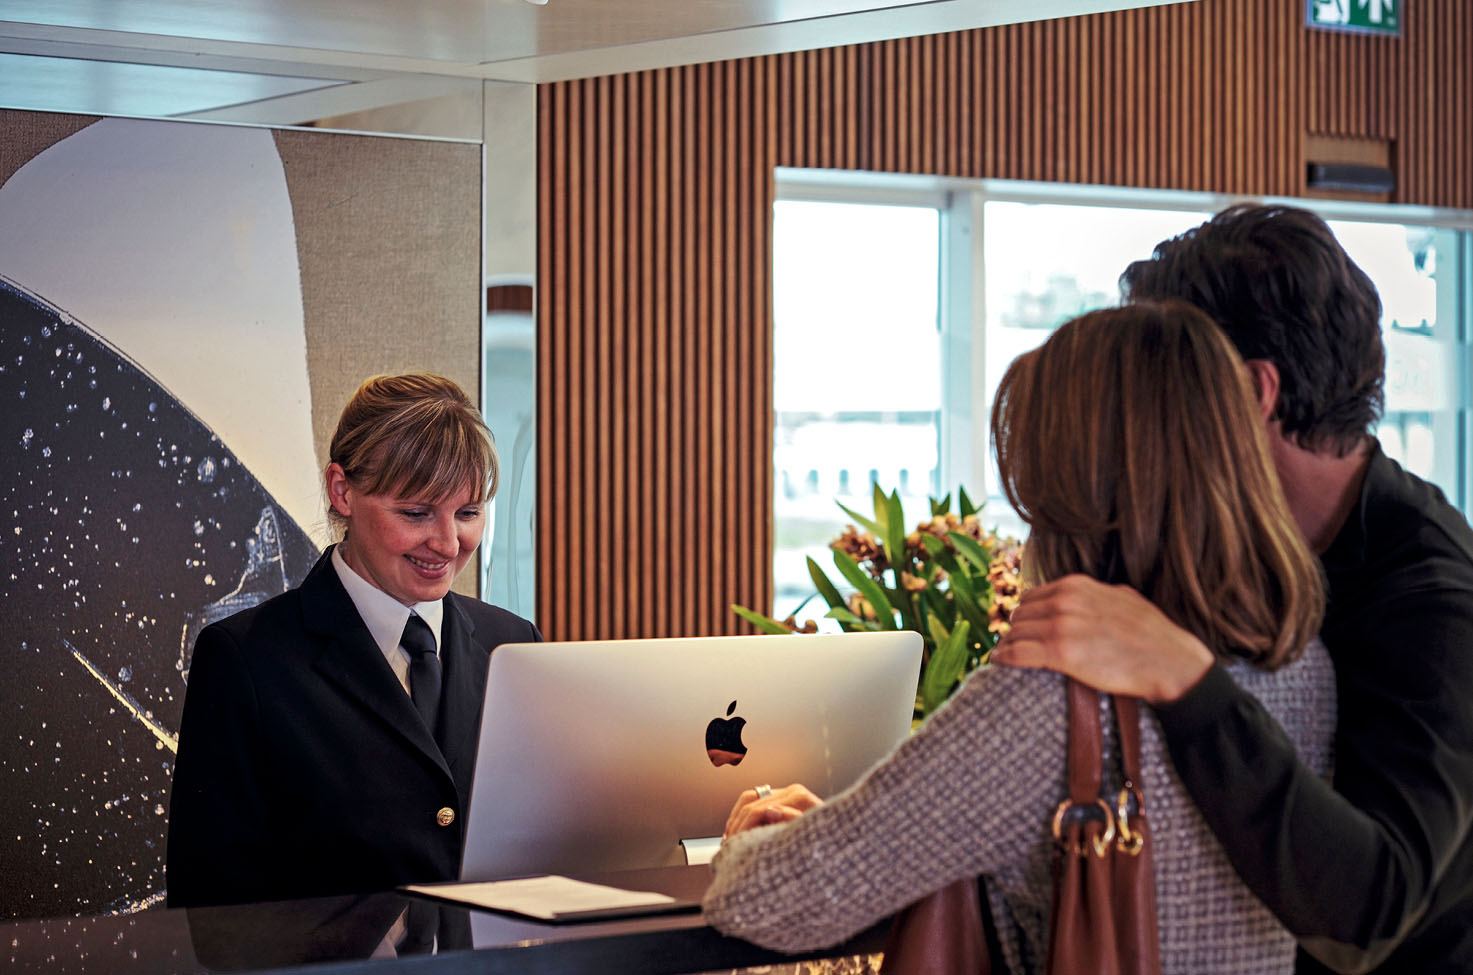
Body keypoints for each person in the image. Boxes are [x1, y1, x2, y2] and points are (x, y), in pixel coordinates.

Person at [704, 302, 1336, 973]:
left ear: (1071, 482)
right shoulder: (1302, 664)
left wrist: (751, 849)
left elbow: (770, 898)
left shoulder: (1049, 697)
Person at [992, 204, 1473, 973]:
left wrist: (1184, 676)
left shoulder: (1433, 597)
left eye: (1159, 377)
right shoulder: (1224, 551)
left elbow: (1367, 909)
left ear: (1250, 392)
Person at [166, 373, 541, 908]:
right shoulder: (244, 661)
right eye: (415, 513)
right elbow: (210, 905)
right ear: (342, 491)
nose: (447, 542)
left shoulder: (515, 644)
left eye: (468, 513)